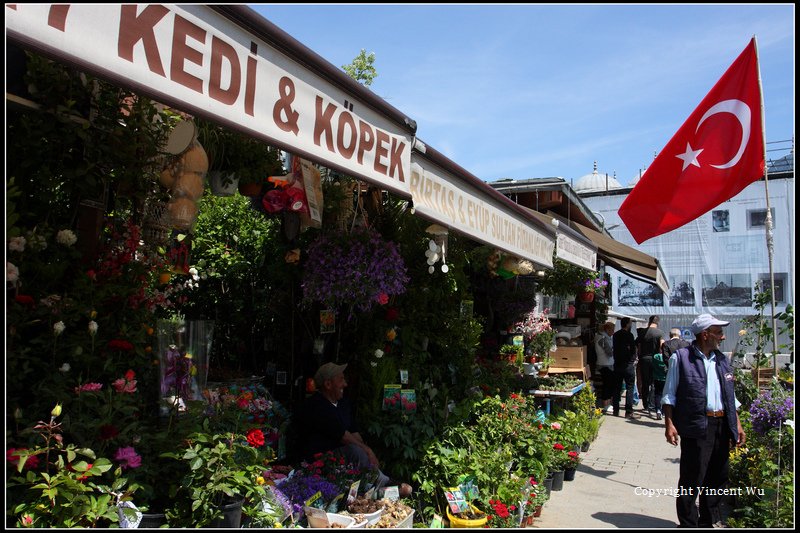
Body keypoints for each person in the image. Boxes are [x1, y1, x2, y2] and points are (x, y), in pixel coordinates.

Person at [661, 314, 746, 528]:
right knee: (692, 477)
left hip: (721, 426)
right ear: (705, 334)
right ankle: (689, 524)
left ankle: (708, 521)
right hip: (696, 425)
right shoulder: (680, 358)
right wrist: (669, 424)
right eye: (718, 332)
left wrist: (737, 422)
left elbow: (729, 395)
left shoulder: (722, 360)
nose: (723, 337)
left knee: (718, 476)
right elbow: (669, 395)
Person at [298, 362, 412, 497]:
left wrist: (368, 454)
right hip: (323, 461)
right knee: (355, 450)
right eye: (341, 380)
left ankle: (376, 489)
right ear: (328, 384)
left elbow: (354, 432)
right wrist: (367, 451)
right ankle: (384, 484)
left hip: (344, 462)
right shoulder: (317, 405)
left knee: (358, 450)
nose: (345, 384)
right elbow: (344, 436)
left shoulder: (343, 404)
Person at [637, 315, 665, 413]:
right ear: (658, 322)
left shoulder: (642, 332)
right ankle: (653, 404)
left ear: (649, 322)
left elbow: (638, 347)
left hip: (644, 359)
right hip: (655, 359)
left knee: (645, 382)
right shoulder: (660, 333)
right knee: (654, 381)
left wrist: (640, 356)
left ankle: (645, 404)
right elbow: (662, 346)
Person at [612, 317, 637, 418]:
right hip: (628, 365)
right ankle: (628, 411)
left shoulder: (616, 335)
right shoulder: (630, 335)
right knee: (630, 387)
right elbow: (633, 350)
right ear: (627, 324)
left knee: (617, 387)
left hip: (617, 364)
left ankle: (615, 409)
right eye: (630, 323)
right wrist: (632, 360)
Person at [594, 321, 616, 414]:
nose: (613, 332)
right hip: (605, 364)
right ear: (607, 329)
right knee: (607, 385)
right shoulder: (603, 338)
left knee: (608, 385)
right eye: (612, 330)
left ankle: (607, 404)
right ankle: (605, 405)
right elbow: (609, 352)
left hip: (605, 363)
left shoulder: (602, 337)